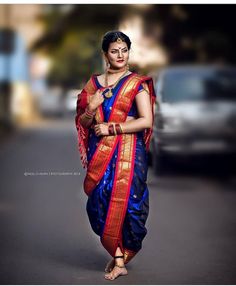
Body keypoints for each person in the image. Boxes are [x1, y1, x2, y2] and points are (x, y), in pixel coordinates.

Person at [75, 30, 156, 281]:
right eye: (114, 51)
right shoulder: (93, 86)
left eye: (124, 50)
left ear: (128, 52)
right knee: (99, 202)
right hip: (101, 154)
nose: (120, 55)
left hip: (131, 153)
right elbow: (85, 122)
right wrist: (91, 107)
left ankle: (120, 258)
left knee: (130, 206)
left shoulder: (136, 84)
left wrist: (112, 127)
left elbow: (146, 120)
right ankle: (119, 256)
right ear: (105, 54)